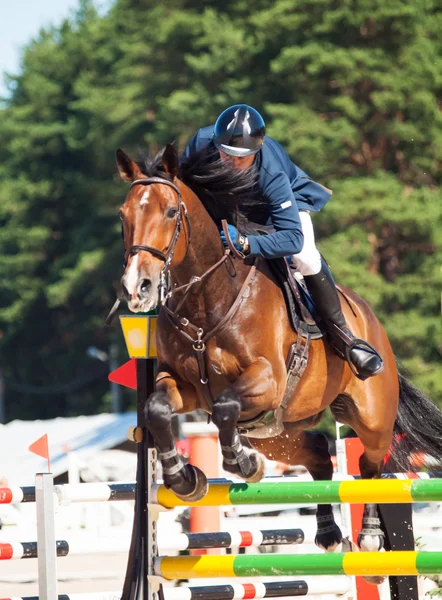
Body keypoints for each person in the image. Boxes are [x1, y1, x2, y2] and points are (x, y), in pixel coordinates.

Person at [181, 104, 383, 380]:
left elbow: (293, 237)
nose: (231, 162)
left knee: (306, 257)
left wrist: (248, 244)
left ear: (256, 151)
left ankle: (343, 337)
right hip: (227, 205)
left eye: (241, 158)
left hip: (277, 211)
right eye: (226, 153)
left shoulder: (271, 172)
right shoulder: (201, 145)